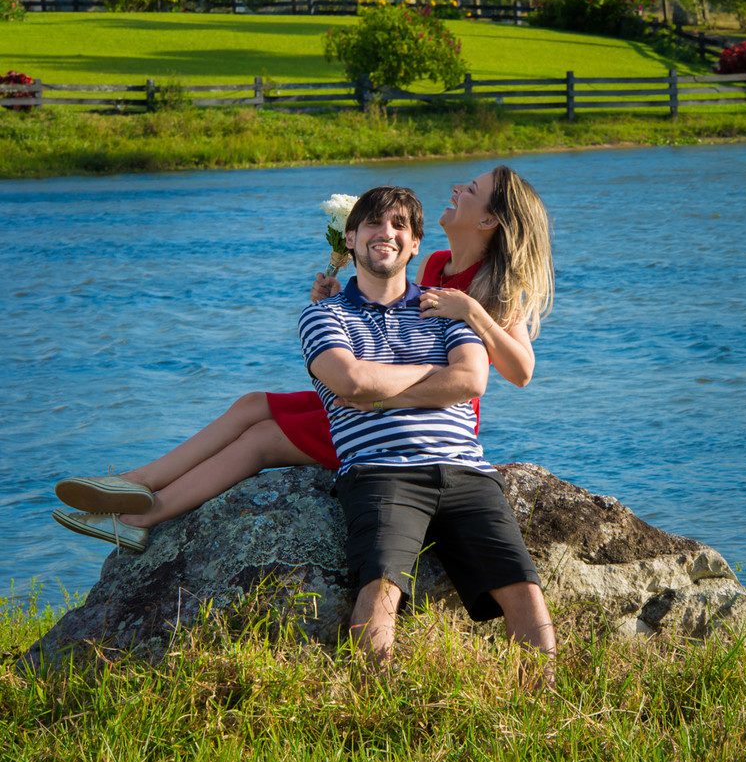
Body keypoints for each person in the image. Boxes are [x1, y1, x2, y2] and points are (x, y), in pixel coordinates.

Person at [51, 165, 554, 553]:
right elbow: (398, 325)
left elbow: (521, 373)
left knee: (263, 440)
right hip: (391, 386)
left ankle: (141, 520)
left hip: (426, 416)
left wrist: (474, 313)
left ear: (488, 217)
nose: (457, 189)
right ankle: (133, 484)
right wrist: (342, 304)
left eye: (469, 189)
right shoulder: (438, 262)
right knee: (253, 405)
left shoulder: (494, 283)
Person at [296, 184, 554, 668]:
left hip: (466, 470)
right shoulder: (323, 314)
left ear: (416, 245)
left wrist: (377, 394)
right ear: (349, 239)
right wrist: (431, 376)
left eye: (399, 226)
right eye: (373, 223)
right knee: (380, 588)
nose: (386, 233)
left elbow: (473, 379)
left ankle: (544, 711)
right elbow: (349, 378)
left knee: (524, 590)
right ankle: (379, 714)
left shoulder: (444, 307)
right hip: (379, 470)